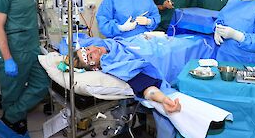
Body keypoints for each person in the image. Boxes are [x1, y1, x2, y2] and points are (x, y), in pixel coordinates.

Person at [62, 36, 232, 138]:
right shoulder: (116, 65)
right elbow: (146, 86)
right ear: (95, 68)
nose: (95, 51)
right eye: (90, 57)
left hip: (160, 41)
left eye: (89, 49)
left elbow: (69, 42)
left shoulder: (105, 43)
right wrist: (164, 99)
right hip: (171, 54)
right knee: (205, 46)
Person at [0, 0, 60, 138]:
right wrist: (7, 59)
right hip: (12, 47)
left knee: (42, 82)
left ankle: (9, 121)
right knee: (12, 94)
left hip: (31, 46)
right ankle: (14, 129)